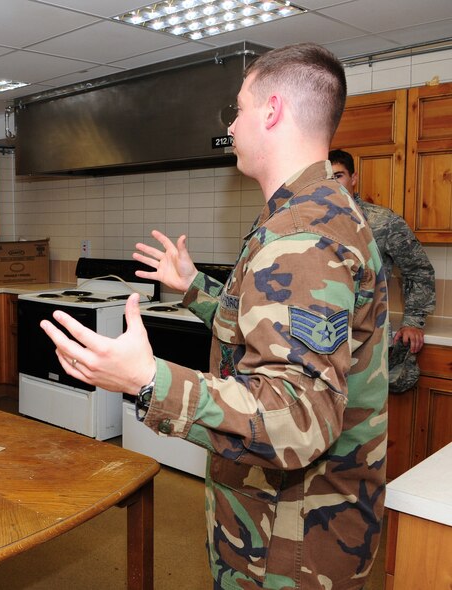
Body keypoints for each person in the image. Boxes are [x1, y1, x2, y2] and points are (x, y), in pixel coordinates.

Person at [41, 43, 388, 589]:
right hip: (291, 522)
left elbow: (298, 418)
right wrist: (195, 288)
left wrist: (149, 381)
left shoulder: (302, 235)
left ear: (271, 111)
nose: (231, 124)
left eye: (238, 108)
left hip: (290, 544)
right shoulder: (313, 209)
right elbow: (263, 330)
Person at [329, 148, 435, 353]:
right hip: (323, 338)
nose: (332, 184)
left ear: (353, 178)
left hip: (369, 340)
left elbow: (418, 270)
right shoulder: (309, 223)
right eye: (327, 178)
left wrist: (413, 321)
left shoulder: (383, 222)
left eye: (338, 176)